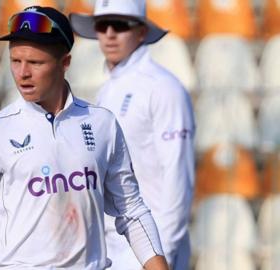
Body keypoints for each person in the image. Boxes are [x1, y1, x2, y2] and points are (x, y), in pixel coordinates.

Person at [0, 6, 169, 270]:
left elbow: (131, 211)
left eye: (35, 63)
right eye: (15, 61)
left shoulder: (102, 124)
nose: (22, 74)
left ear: (65, 63)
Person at [70, 1, 196, 269]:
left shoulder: (163, 88)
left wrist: (162, 255)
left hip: (150, 249)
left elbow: (178, 179)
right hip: (111, 248)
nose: (110, 33)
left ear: (141, 31)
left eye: (121, 25)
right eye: (102, 25)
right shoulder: (108, 90)